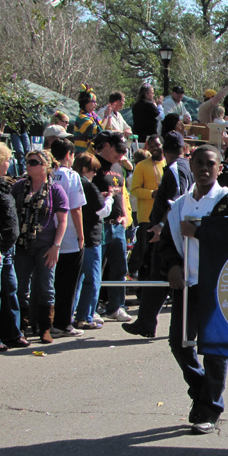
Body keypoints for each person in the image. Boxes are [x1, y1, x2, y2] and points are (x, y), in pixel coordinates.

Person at [158, 145, 228, 434]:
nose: (204, 169)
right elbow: (168, 242)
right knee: (178, 343)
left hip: (218, 286)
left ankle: (210, 409)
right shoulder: (179, 204)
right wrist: (172, 266)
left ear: (220, 168)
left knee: (215, 348)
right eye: (199, 164)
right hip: (186, 285)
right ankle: (202, 389)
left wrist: (199, 232)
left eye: (210, 164)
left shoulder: (227, 201)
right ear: (191, 166)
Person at [123, 132, 192, 339]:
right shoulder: (184, 166)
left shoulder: (175, 169)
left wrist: (161, 224)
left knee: (162, 275)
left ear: (164, 149)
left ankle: (159, 324)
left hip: (169, 231)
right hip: (170, 229)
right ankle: (146, 322)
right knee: (158, 278)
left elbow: (176, 201)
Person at [11, 150, 69, 344]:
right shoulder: (19, 187)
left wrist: (56, 246)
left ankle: (45, 328)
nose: (29, 165)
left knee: (46, 288)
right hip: (22, 245)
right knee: (20, 288)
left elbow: (62, 221)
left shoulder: (55, 190)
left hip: (46, 246)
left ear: (45, 166)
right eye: (28, 162)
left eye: (34, 162)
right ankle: (21, 328)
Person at [0, 142, 25, 351]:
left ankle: (12, 333)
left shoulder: (1, 183)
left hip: (7, 249)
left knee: (10, 290)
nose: (9, 163)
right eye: (7, 159)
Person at [92, 131, 132, 322]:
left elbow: (121, 193)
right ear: (107, 145)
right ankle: (90, 308)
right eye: (118, 150)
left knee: (120, 268)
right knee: (95, 269)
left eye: (124, 151)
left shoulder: (118, 167)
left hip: (117, 225)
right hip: (99, 224)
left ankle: (116, 307)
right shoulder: (94, 164)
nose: (121, 155)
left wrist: (124, 214)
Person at [72, 153, 114, 330]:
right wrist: (110, 198)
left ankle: (69, 315)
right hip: (91, 238)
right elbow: (102, 211)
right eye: (93, 170)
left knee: (76, 280)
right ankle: (85, 316)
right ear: (84, 169)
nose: (95, 174)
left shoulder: (73, 183)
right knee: (93, 279)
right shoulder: (88, 185)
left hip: (75, 239)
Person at [50, 138, 87, 337]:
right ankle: (62, 323)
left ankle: (45, 320)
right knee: (68, 282)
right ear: (68, 155)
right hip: (69, 236)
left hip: (49, 234)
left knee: (50, 281)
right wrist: (81, 235)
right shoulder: (71, 176)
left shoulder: (47, 173)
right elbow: (76, 208)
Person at [129, 135, 166, 279]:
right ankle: (136, 275)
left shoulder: (168, 164)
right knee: (144, 249)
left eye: (156, 145)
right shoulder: (142, 165)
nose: (154, 148)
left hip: (163, 216)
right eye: (150, 146)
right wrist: (152, 194)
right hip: (146, 216)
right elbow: (134, 190)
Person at [73, 86, 103, 153]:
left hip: (93, 154)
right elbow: (96, 131)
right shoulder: (81, 118)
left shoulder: (95, 117)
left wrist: (109, 116)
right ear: (86, 103)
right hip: (83, 155)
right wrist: (106, 116)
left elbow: (105, 130)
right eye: (93, 101)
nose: (96, 104)